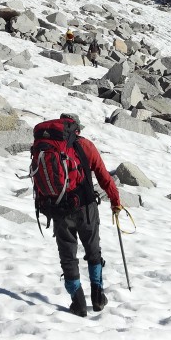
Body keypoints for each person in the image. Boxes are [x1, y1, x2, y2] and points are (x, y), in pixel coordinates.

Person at [52, 113, 122, 316]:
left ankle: (78, 302)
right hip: (86, 207)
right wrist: (115, 202)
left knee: (68, 257)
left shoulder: (50, 147)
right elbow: (103, 177)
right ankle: (98, 297)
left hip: (59, 209)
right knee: (93, 251)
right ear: (77, 128)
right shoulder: (86, 146)